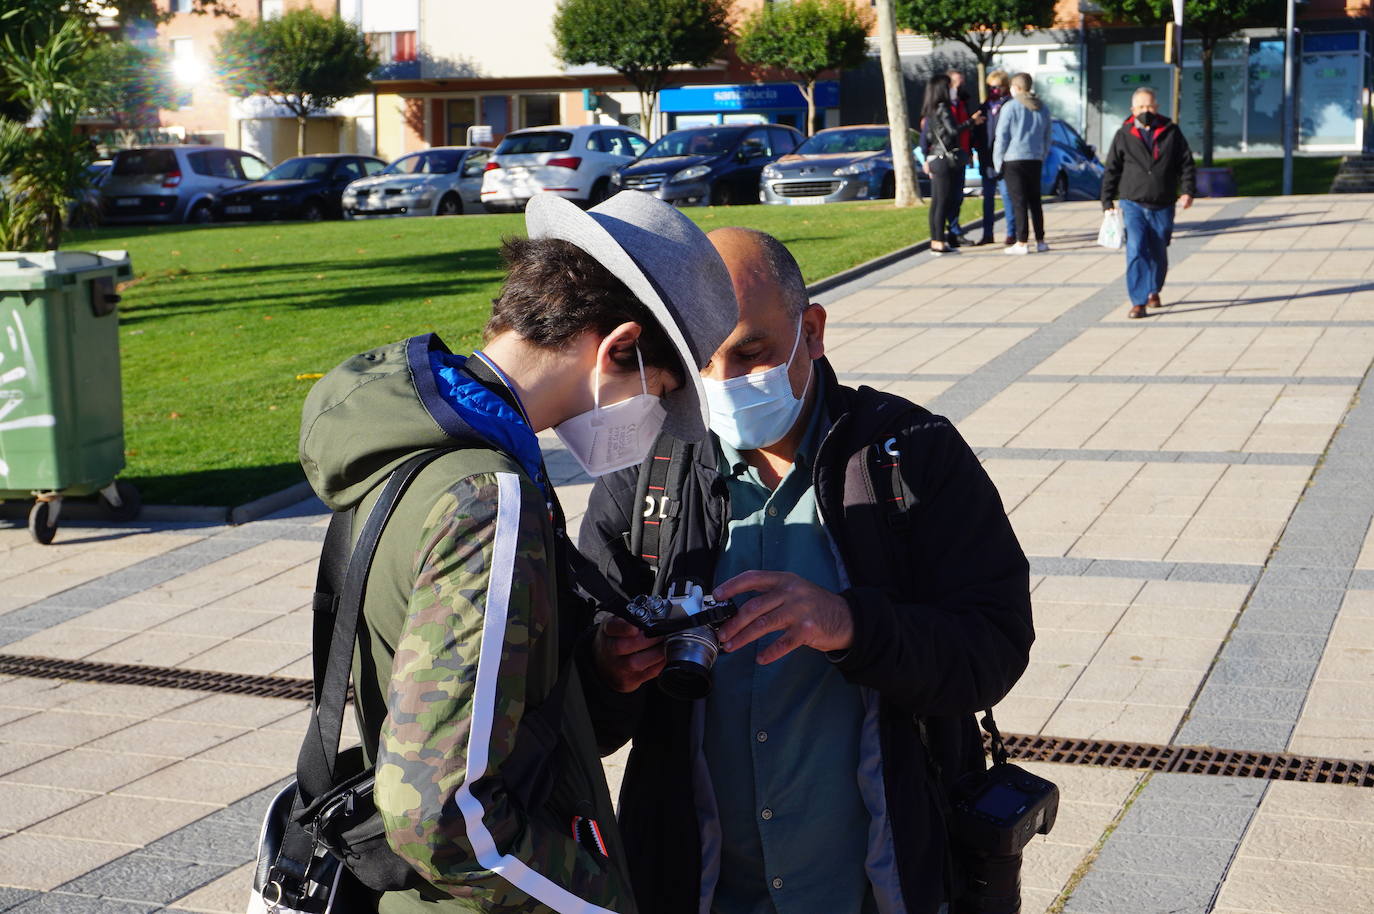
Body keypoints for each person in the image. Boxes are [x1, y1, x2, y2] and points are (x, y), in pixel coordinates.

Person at [297, 191, 737, 913]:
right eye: (658, 392)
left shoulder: (415, 445)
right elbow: (438, 815)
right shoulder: (487, 497)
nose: (652, 421)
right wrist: (596, 900)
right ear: (619, 346)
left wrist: (591, 672)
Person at [577, 227, 1035, 914]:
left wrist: (850, 625)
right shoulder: (645, 471)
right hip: (697, 889)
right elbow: (575, 707)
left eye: (751, 353)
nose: (724, 382)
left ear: (811, 331)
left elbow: (994, 648)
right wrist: (608, 668)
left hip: (879, 886)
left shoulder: (911, 454)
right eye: (700, 360)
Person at [1102, 85, 1197, 319]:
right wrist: (1107, 200)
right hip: (1132, 201)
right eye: (1141, 106)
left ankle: (1154, 289)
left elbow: (1186, 163)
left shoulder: (1171, 131)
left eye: (1150, 106)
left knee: (1158, 249)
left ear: (1157, 107)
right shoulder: (1124, 134)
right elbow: (1112, 168)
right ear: (1133, 109)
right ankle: (1138, 301)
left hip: (1163, 201)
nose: (1146, 111)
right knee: (1135, 248)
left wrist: (1187, 191)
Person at [921, 73, 983, 255]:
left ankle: (936, 240)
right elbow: (953, 131)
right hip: (944, 159)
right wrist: (972, 121)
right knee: (942, 202)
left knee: (937, 203)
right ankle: (939, 242)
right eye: (949, 86)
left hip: (935, 158)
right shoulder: (943, 108)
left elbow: (929, 136)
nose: (953, 89)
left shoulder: (931, 109)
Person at [994, 72, 1053, 256]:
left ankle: (1022, 241)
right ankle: (1040, 240)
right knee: (1035, 201)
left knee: (1019, 201)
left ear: (1017, 88)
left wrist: (998, 161)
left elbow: (1002, 136)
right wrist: (1042, 154)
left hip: (1014, 158)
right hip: (1035, 159)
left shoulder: (1011, 107)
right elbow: (1048, 135)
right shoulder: (1042, 107)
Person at [982, 69, 1017, 245]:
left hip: (1005, 158)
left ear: (1005, 87)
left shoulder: (1010, 105)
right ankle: (987, 233)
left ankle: (1012, 233)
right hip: (987, 159)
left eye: (996, 87)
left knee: (1007, 196)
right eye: (990, 87)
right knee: (988, 198)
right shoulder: (985, 106)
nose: (993, 90)